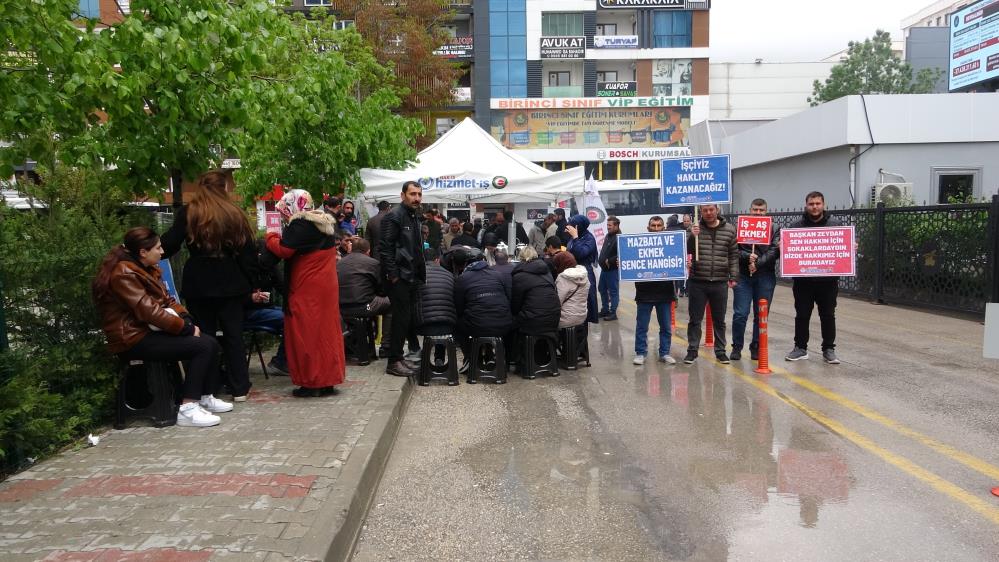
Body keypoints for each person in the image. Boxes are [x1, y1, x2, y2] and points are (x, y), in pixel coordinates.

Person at [93, 227, 231, 428]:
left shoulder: (147, 268)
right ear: (143, 252)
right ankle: (187, 408)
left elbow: (167, 300)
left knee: (210, 341)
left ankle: (203, 396)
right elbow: (147, 311)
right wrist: (184, 329)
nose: (162, 251)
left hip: (147, 332)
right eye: (157, 248)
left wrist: (186, 319)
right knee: (201, 346)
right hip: (132, 339)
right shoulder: (124, 274)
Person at [161, 170, 260, 402]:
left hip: (199, 280)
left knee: (204, 337)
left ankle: (209, 387)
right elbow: (248, 255)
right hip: (231, 280)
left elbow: (170, 244)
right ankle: (240, 388)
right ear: (224, 188)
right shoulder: (235, 214)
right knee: (234, 336)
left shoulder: (190, 212)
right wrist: (252, 283)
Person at [266, 189, 346, 397]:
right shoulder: (324, 222)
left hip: (306, 288)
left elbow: (284, 250)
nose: (284, 215)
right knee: (327, 333)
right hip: (326, 287)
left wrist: (271, 237)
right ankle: (328, 380)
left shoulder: (300, 224)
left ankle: (312, 383)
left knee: (306, 333)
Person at [785, 191, 842, 364]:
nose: (814, 207)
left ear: (823, 204)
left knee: (828, 315)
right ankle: (800, 348)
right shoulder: (796, 226)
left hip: (828, 282)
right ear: (806, 205)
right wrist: (784, 246)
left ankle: (829, 349)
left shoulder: (835, 225)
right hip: (803, 282)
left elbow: (842, 248)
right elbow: (789, 251)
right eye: (811, 204)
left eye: (817, 203)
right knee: (802, 315)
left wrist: (851, 246)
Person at [379, 180, 427, 377]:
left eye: (419, 194)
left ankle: (399, 357)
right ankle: (393, 360)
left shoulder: (413, 215)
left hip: (410, 276)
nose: (416, 198)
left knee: (405, 318)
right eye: (412, 194)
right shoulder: (394, 216)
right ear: (402, 195)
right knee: (400, 318)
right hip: (399, 277)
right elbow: (385, 248)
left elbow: (414, 248)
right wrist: (393, 276)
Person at [684, 204, 738, 364]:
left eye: (711, 210)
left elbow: (733, 255)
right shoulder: (694, 229)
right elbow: (685, 250)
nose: (708, 213)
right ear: (700, 211)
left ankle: (721, 351)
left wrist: (733, 275)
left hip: (720, 281)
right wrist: (692, 236)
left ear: (717, 210)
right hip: (698, 281)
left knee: (719, 320)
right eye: (704, 210)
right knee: (695, 319)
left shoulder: (729, 229)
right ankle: (692, 351)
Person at [731, 198, 779, 361]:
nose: (758, 213)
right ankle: (736, 347)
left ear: (766, 211)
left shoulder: (774, 228)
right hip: (743, 276)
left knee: (761, 315)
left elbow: (774, 251)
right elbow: (733, 250)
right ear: (750, 210)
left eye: (761, 210)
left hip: (765, 276)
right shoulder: (739, 227)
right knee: (740, 313)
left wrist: (757, 262)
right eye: (755, 210)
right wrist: (746, 257)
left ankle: (756, 346)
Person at [451, 246, 513, 369]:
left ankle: (472, 358)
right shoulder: (498, 275)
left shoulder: (462, 279)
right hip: (502, 323)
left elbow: (459, 307)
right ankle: (492, 356)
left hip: (477, 325)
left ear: (467, 263)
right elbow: (508, 299)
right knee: (486, 321)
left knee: (458, 325)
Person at [632, 216, 676, 366]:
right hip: (644, 293)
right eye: (653, 225)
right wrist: (622, 262)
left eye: (659, 225)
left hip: (665, 292)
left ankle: (664, 353)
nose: (656, 228)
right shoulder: (638, 246)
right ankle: (640, 353)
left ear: (663, 227)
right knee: (642, 326)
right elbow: (630, 263)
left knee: (666, 327)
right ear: (648, 227)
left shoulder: (672, 245)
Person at [243, 238, 289, 376]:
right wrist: (251, 297)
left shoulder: (270, 267)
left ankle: (286, 359)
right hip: (248, 310)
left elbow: (282, 286)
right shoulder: (246, 266)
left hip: (265, 308)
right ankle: (280, 361)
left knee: (295, 315)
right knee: (287, 318)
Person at [510, 247, 561, 366]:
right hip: (554, 317)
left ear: (521, 259)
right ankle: (541, 357)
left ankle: (517, 359)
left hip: (534, 321)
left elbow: (515, 306)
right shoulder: (547, 272)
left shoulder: (519, 276)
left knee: (511, 323)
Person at [337, 239, 390, 319]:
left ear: (352, 249)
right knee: (393, 300)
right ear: (368, 251)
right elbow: (382, 289)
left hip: (341, 307)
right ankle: (386, 331)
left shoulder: (339, 263)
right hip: (364, 306)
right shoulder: (373, 263)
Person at [566, 214, 599, 324]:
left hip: (584, 273)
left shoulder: (589, 238)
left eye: (572, 224)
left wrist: (575, 238)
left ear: (578, 226)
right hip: (573, 272)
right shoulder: (574, 237)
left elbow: (580, 254)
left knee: (586, 301)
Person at [553, 251, 588, 329]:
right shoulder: (584, 276)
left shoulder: (563, 278)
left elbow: (557, 303)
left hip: (566, 320)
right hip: (582, 316)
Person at [597, 216, 621, 321]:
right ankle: (605, 309)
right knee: (601, 288)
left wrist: (610, 261)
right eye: (607, 225)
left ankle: (613, 312)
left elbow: (622, 253)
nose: (608, 227)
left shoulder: (619, 237)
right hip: (604, 270)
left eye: (610, 225)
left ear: (616, 226)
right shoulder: (608, 235)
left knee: (613, 291)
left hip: (612, 270)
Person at [667, 215, 688, 297]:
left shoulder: (665, 231)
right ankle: (680, 291)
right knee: (679, 276)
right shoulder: (681, 231)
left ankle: (674, 293)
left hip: (668, 258)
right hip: (679, 257)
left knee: (671, 278)